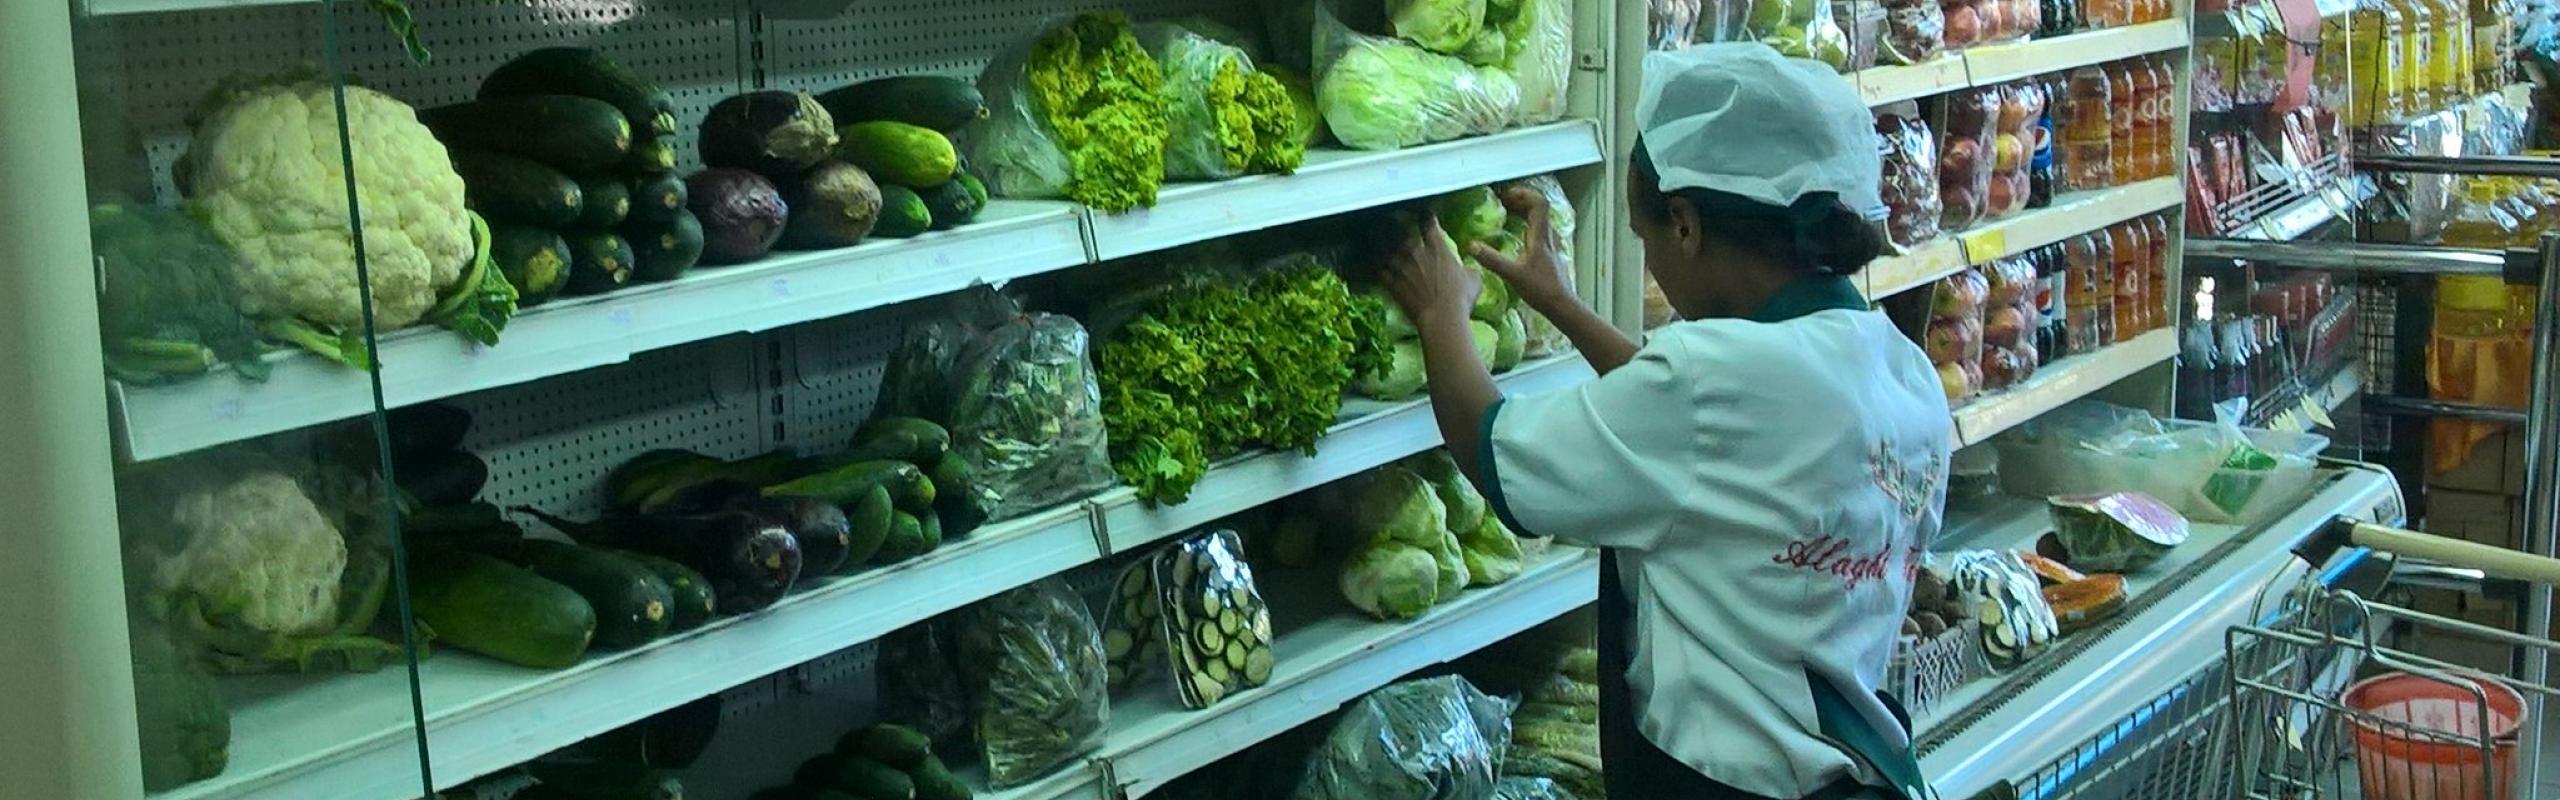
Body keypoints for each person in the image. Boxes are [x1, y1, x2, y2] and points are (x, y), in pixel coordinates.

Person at [1380, 44, 1954, 800]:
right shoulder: (1899, 369)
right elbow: (1713, 446)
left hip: (1716, 784)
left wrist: (1439, 311)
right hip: (1858, 772)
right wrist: (1562, 305)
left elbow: (1496, 457)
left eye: (1645, 238)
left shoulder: (1709, 381)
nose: (1651, 260)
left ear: (1684, 223)